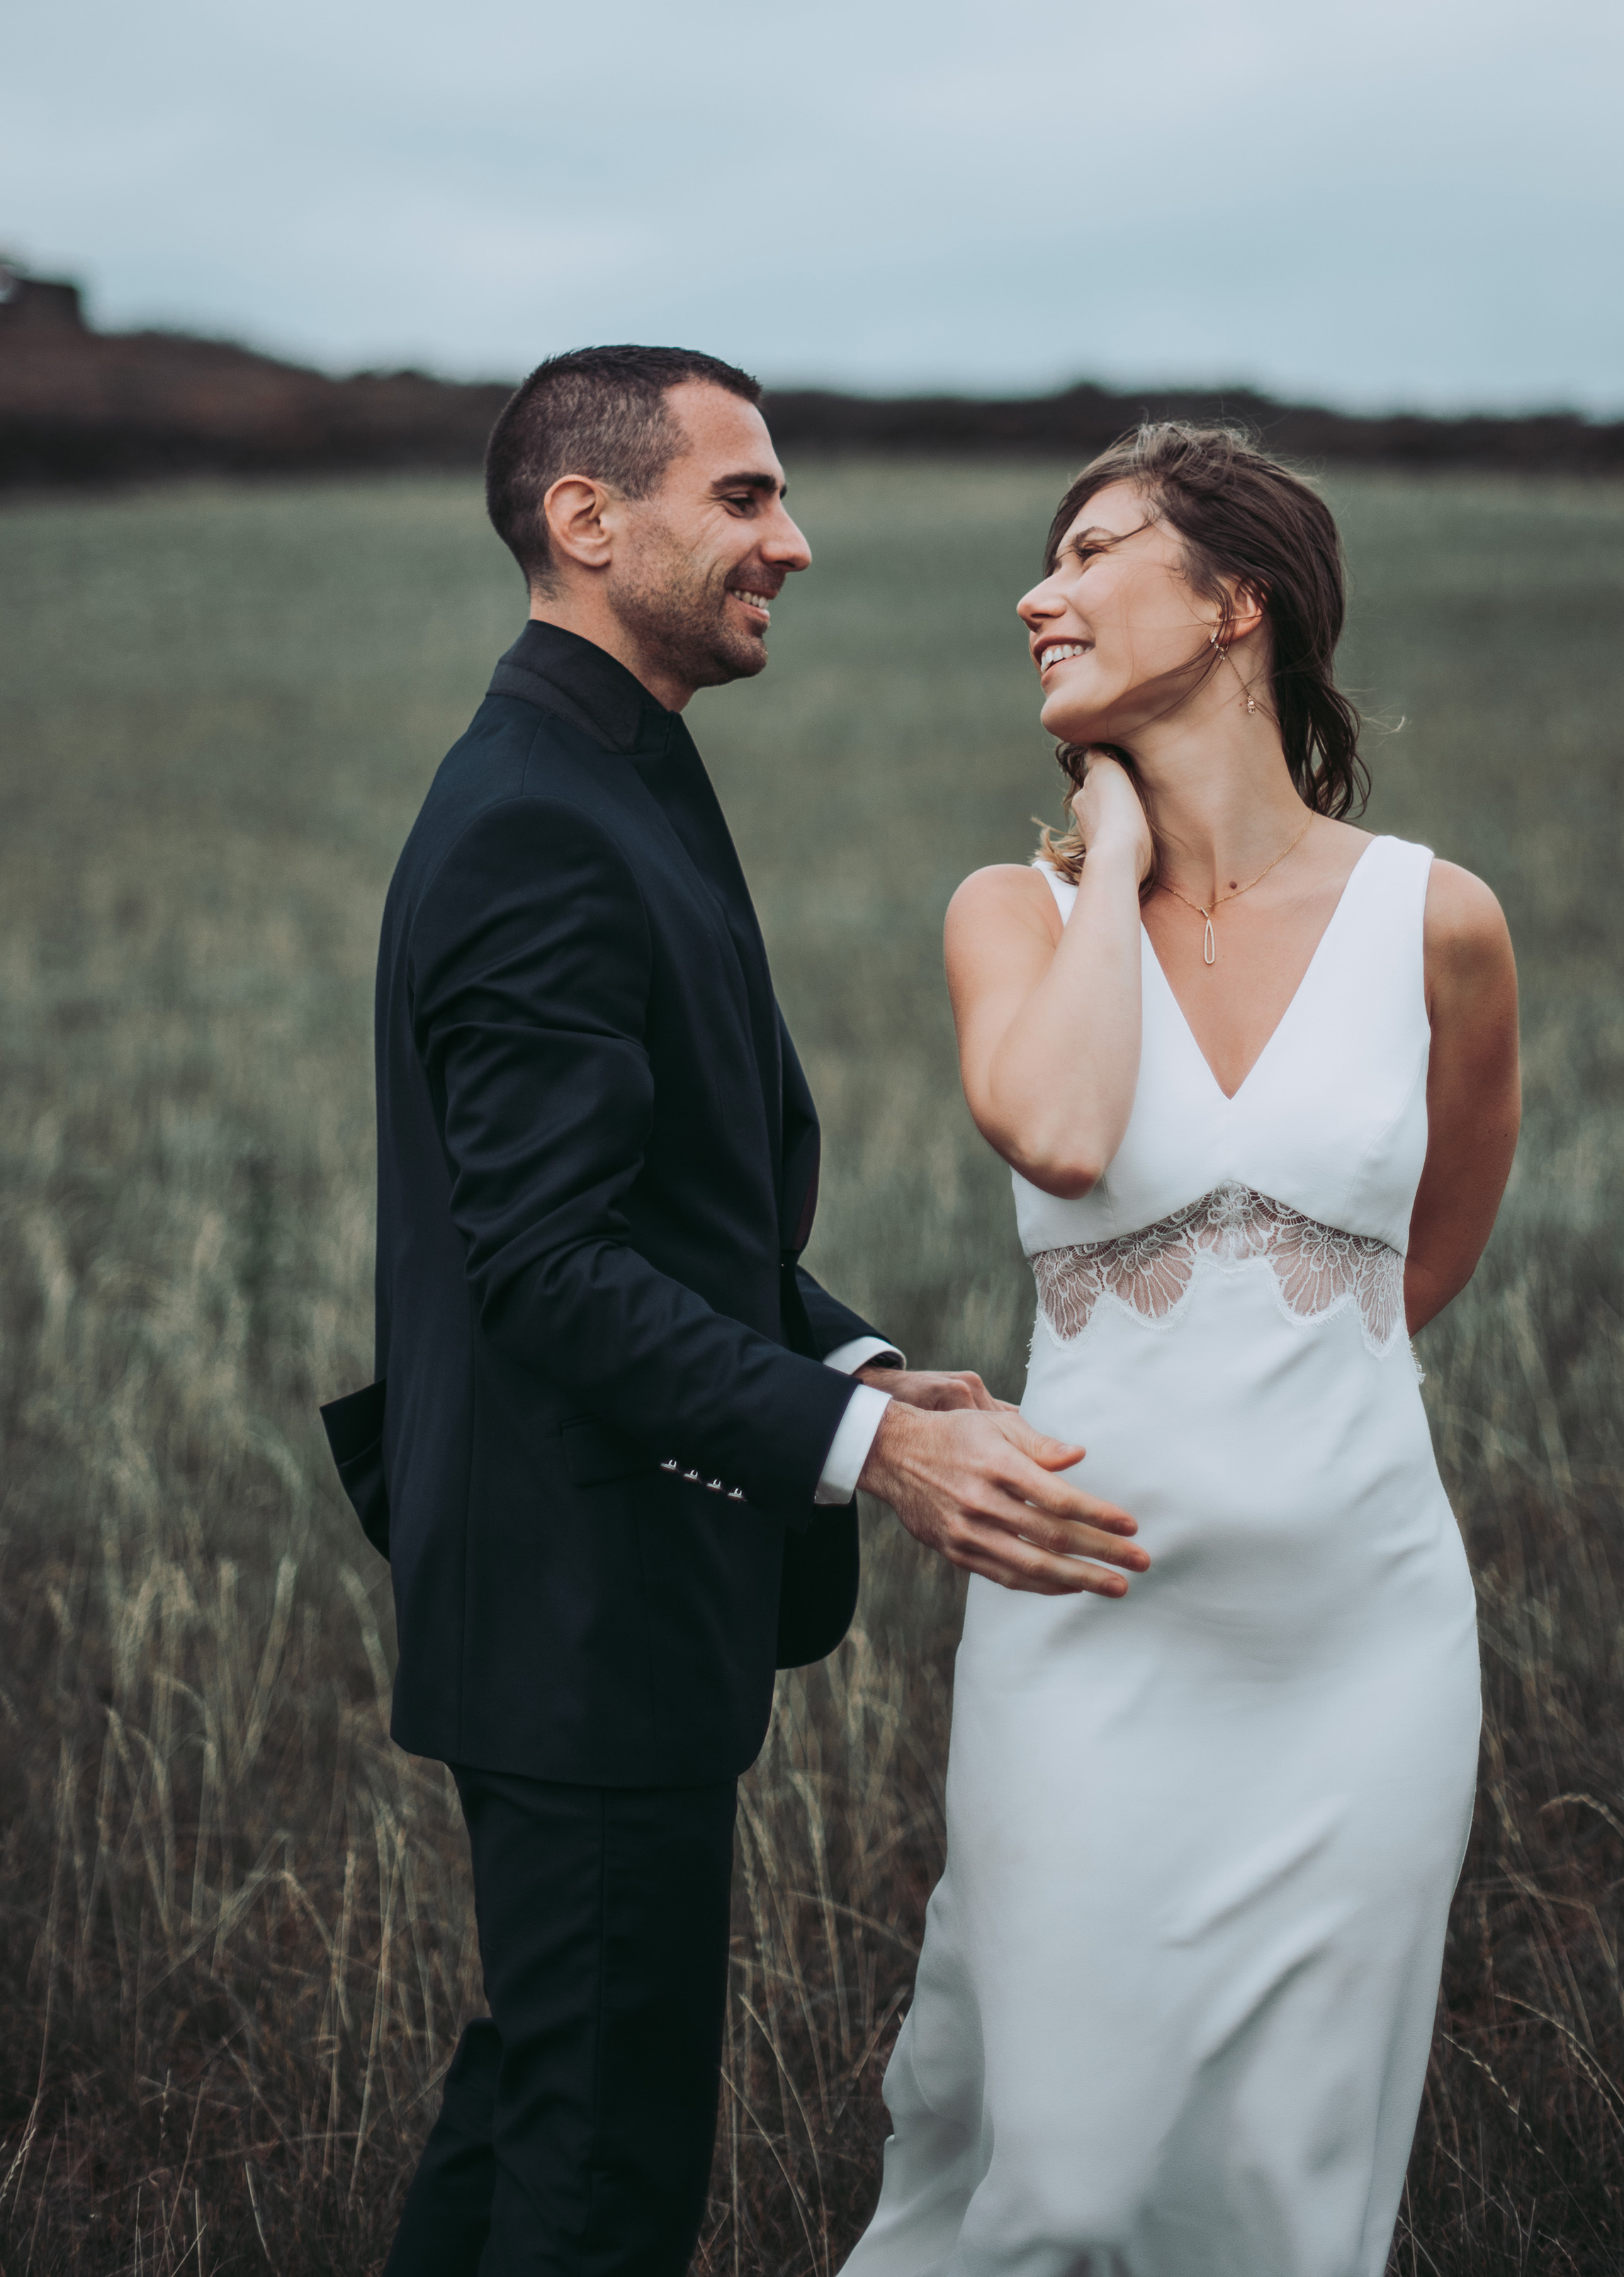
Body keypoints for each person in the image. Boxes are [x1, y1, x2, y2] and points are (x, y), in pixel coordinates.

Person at [318, 346, 1146, 2277]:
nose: (796, 537)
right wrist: (879, 1451)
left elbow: (649, 1211)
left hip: (587, 1588)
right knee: (602, 2181)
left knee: (544, 2096)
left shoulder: (603, 762)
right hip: (581, 1598)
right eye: (746, 496)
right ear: (587, 521)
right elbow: (545, 1267)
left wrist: (843, 1350)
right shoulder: (540, 813)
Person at [842, 422, 1521, 2277]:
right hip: (1090, 1637)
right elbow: (1061, 1129)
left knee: (1290, 2204)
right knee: (1065, 2187)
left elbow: (1421, 1250)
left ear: (1239, 603)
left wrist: (1295, 1425)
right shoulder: (1022, 912)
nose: (1032, 592)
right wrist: (1123, 834)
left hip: (1359, 1645)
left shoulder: (1438, 921)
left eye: (1088, 550)